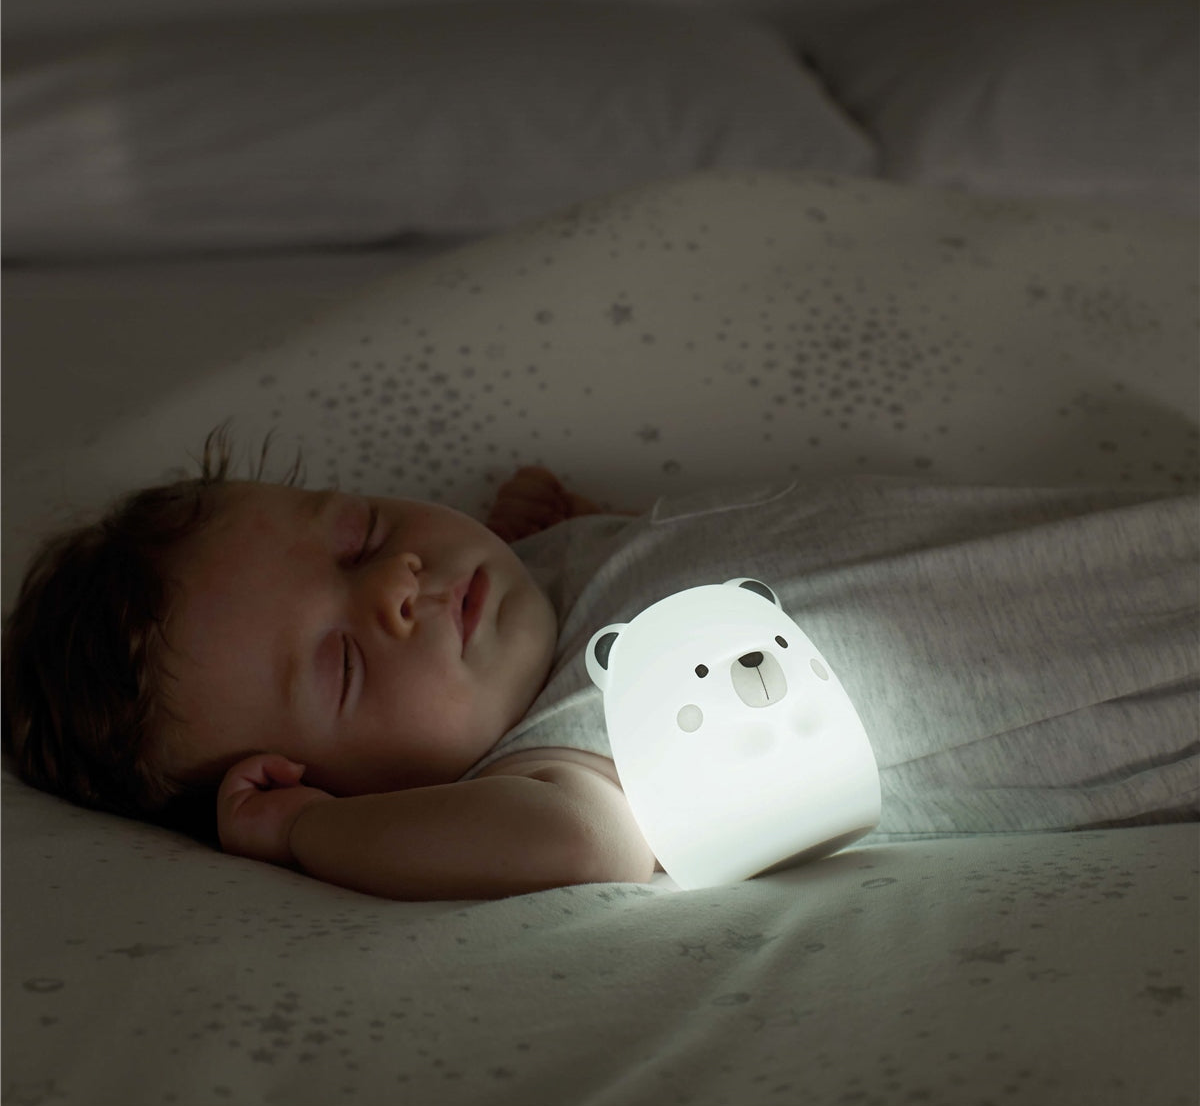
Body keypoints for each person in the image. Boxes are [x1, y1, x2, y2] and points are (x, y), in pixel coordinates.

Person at [5, 433, 1197, 901]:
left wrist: (596, 526)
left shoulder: (558, 569)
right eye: (346, 663)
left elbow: (715, 562)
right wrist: (303, 836)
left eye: (361, 536)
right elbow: (570, 849)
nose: (397, 587)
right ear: (310, 775)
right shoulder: (575, 753)